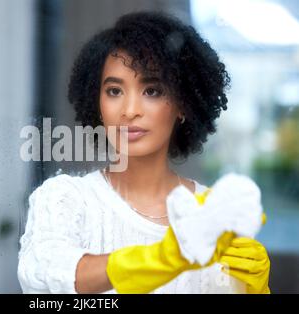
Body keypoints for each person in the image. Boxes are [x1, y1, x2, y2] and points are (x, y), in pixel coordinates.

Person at [17, 11, 270, 294]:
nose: (130, 110)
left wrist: (252, 288)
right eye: (114, 91)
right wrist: (163, 258)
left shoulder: (213, 216)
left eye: (152, 91)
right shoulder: (67, 199)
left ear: (183, 104)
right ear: (96, 103)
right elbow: (44, 277)